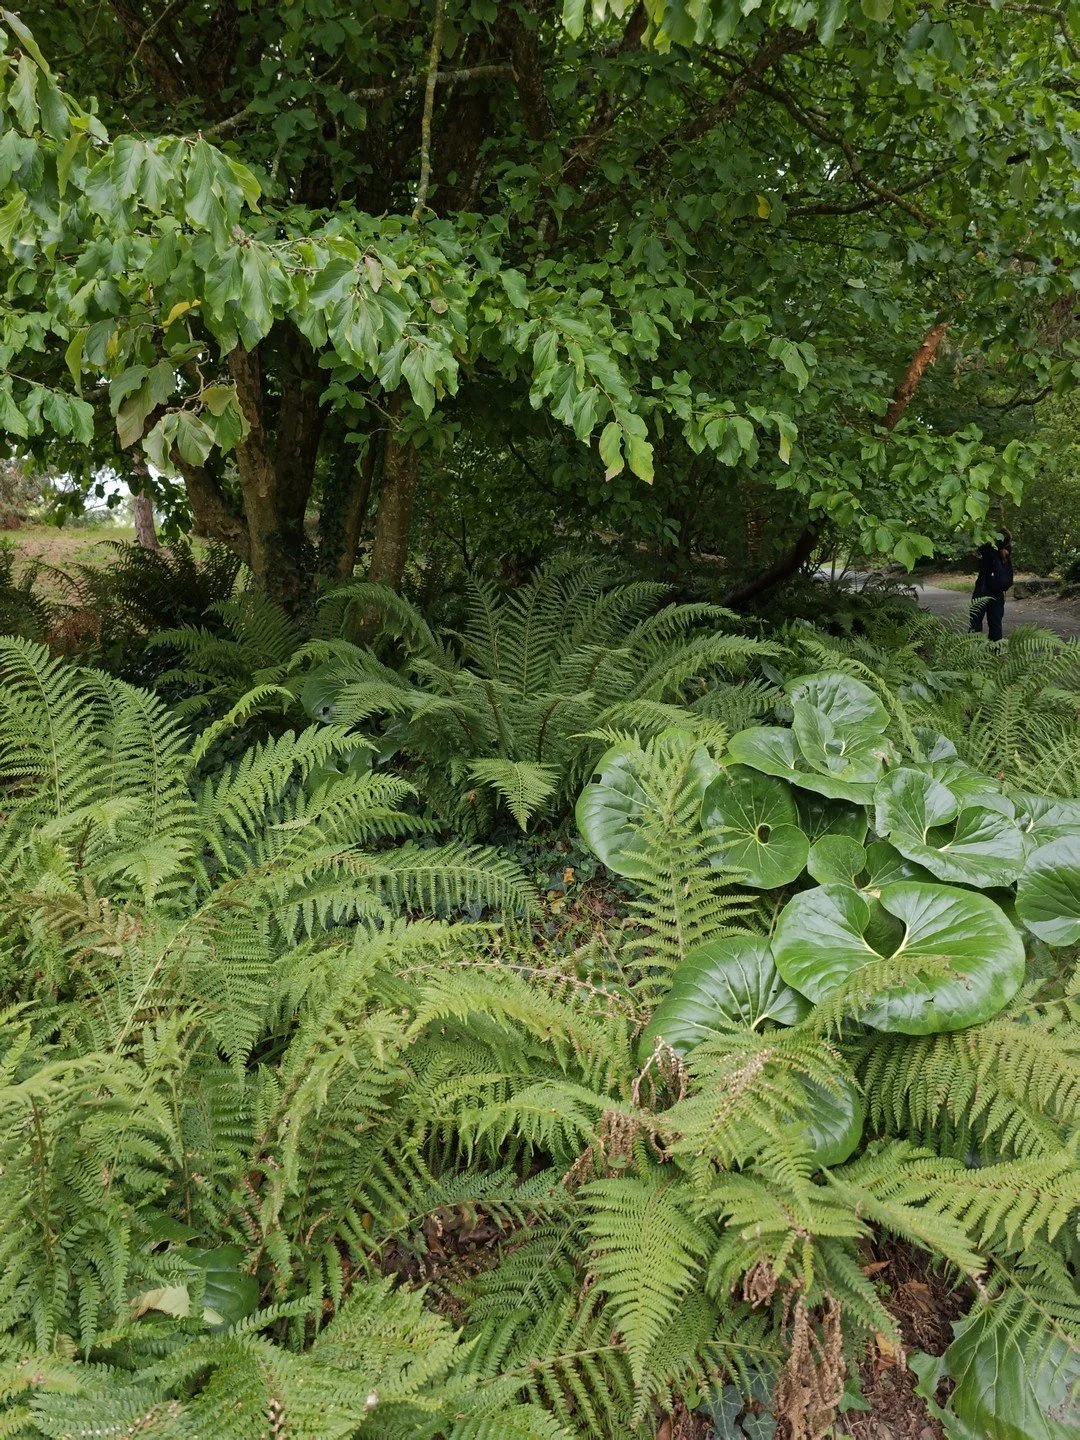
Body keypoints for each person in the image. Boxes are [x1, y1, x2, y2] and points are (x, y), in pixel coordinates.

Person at [970, 527, 1013, 641]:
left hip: (982, 590)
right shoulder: (1006, 552)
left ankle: (973, 649)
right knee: (996, 624)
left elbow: (978, 540)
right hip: (998, 593)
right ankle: (995, 651)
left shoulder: (988, 550)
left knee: (975, 622)